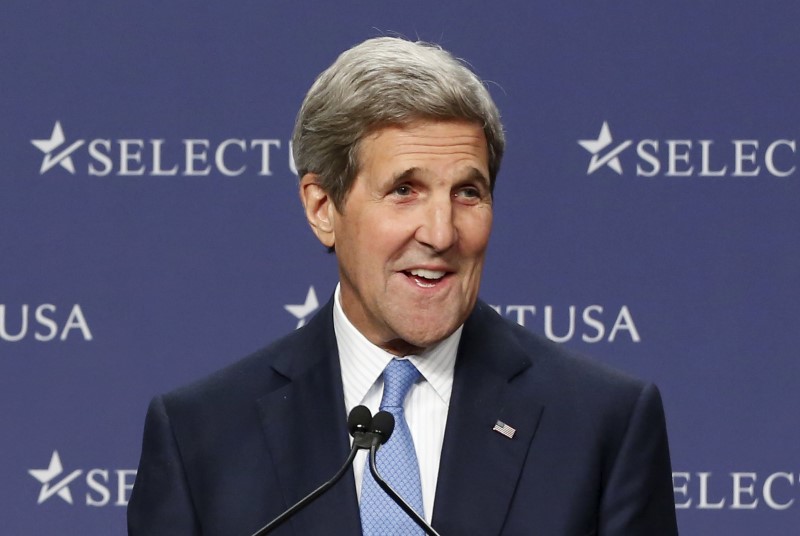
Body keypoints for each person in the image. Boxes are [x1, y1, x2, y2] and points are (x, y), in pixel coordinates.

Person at [128, 37, 678, 535]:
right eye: (405, 190)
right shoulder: (200, 438)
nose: (441, 233)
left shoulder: (602, 425)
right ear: (323, 207)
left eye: (467, 193)